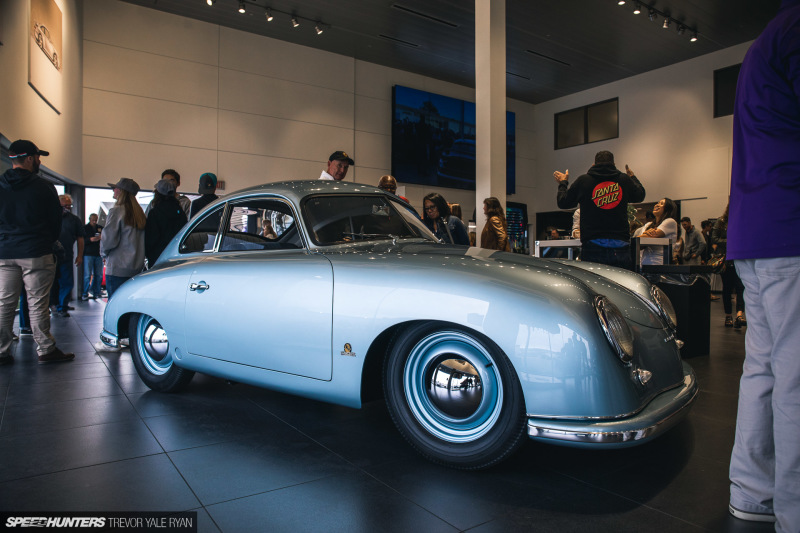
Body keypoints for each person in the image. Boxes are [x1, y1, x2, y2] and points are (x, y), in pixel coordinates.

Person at [727, 4, 800, 528]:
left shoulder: (767, 39)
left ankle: (753, 492)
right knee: (793, 375)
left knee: (765, 370)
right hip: (789, 225)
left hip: (755, 231)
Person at [0, 139, 74, 365]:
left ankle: (2, 351)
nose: (40, 161)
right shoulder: (43, 187)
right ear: (30, 158)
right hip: (35, 252)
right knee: (37, 302)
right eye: (38, 157)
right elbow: (55, 223)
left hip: (4, 252)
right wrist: (48, 242)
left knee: (4, 303)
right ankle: (45, 349)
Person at [554, 151, 645, 269]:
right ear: (614, 164)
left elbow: (563, 202)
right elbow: (640, 195)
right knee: (621, 285)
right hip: (620, 244)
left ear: (593, 164)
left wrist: (563, 182)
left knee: (595, 284)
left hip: (592, 244)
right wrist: (632, 177)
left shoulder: (584, 181)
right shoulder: (624, 180)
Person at [101, 178, 146, 297]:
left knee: (114, 308)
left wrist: (103, 254)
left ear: (121, 191)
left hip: (117, 268)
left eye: (115, 188)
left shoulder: (116, 211)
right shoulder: (139, 214)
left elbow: (108, 240)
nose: (114, 190)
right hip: (135, 268)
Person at [712, 203, 746, 328]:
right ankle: (728, 316)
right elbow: (714, 239)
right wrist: (731, 241)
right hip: (726, 260)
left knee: (740, 288)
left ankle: (739, 315)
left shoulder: (741, 221)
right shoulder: (721, 222)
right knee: (727, 289)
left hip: (739, 259)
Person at [51, 195, 84, 317]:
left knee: (67, 282)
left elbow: (80, 238)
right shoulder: (50, 217)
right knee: (51, 283)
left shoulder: (74, 220)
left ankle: (62, 306)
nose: (68, 208)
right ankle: (53, 304)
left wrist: (80, 255)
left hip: (66, 256)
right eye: (65, 205)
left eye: (69, 206)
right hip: (50, 256)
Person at [145, 179, 187, 268]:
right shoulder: (180, 212)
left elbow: (151, 238)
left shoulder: (155, 212)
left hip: (158, 258)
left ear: (158, 194)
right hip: (176, 256)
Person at [633, 198, 678, 266]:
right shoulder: (648, 225)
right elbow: (640, 243)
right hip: (643, 266)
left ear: (668, 209)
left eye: (661, 204)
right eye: (658, 203)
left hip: (660, 266)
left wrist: (645, 234)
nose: (657, 205)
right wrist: (645, 234)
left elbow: (647, 238)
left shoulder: (670, 221)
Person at [82, 213, 103, 300]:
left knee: (98, 275)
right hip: (88, 254)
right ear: (89, 219)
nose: (94, 221)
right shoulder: (85, 228)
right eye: (93, 220)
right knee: (87, 275)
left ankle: (96, 292)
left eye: (96, 219)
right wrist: (90, 240)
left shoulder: (100, 228)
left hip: (98, 254)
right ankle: (85, 293)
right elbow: (82, 240)